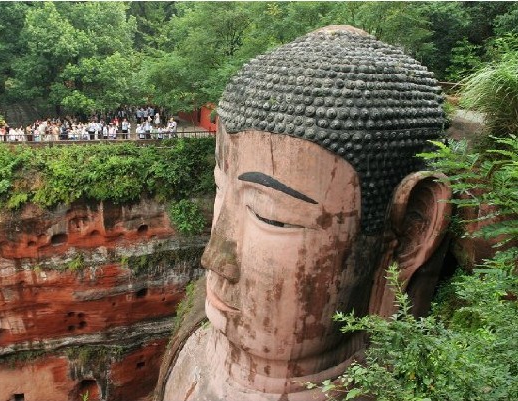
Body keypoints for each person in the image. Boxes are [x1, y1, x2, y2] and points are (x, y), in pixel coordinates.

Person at [158, 26, 452, 401]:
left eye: (271, 216)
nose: (214, 258)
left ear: (412, 233)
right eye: (220, 190)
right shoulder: (193, 355)